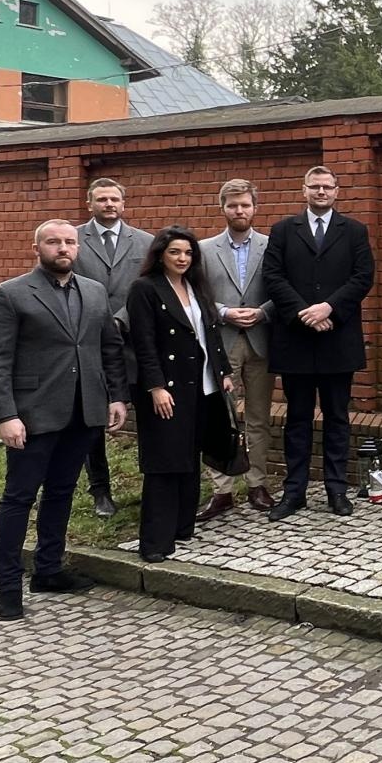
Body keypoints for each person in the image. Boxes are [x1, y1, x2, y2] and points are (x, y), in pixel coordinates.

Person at [0, 220, 127, 621]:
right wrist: (6, 416)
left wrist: (117, 397)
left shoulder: (95, 292)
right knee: (19, 497)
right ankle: (7, 587)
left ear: (77, 248)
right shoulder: (10, 294)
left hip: (84, 412)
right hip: (33, 415)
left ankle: (48, 570)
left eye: (69, 242)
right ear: (37, 247)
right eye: (53, 242)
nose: (62, 248)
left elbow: (109, 348)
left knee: (61, 491)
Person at [264, 166, 376, 521]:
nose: (321, 192)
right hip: (296, 339)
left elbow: (363, 277)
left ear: (337, 191)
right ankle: (293, 492)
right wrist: (303, 312)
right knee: (296, 419)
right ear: (304, 190)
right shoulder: (283, 230)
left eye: (327, 187)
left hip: (337, 338)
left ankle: (336, 490)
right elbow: (272, 276)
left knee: (337, 418)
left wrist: (329, 308)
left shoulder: (355, 230)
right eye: (315, 187)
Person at [126, 227, 234, 563]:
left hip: (203, 385)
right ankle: (155, 541)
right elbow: (142, 343)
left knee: (189, 456)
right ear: (160, 254)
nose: (182, 259)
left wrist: (224, 371)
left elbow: (209, 333)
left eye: (187, 253)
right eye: (175, 252)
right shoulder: (144, 288)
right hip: (166, 387)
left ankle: (182, 526)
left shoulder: (195, 285)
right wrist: (155, 387)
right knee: (164, 461)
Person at [71, 177, 154, 518]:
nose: (109, 204)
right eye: (102, 199)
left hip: (135, 340)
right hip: (88, 342)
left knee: (150, 415)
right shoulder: (71, 239)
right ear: (90, 204)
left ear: (124, 203)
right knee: (94, 419)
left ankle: (154, 484)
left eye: (114, 199)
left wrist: (120, 318)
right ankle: (100, 490)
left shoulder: (146, 242)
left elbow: (149, 287)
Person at [198, 179, 276, 519]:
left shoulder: (273, 246)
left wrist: (263, 311)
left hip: (261, 339)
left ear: (255, 207)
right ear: (223, 208)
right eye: (232, 205)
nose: (239, 210)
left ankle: (257, 484)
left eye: (244, 205)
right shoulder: (203, 249)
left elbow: (285, 289)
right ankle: (223, 490)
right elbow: (195, 294)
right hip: (221, 341)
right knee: (220, 418)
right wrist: (225, 312)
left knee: (259, 417)